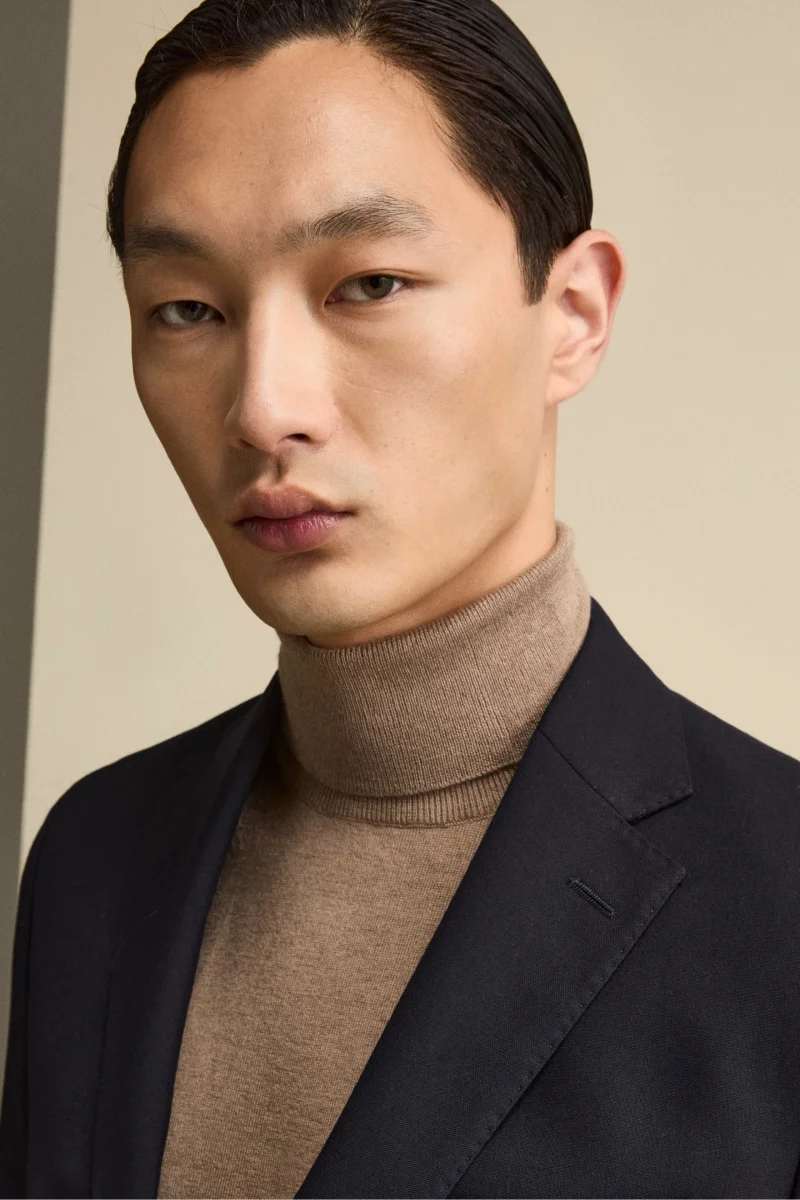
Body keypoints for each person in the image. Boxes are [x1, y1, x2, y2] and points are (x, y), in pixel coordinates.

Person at [2, 0, 799, 1196]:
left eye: (367, 284)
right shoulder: (92, 857)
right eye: (187, 309)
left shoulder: (779, 898)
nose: (263, 408)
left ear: (572, 314)